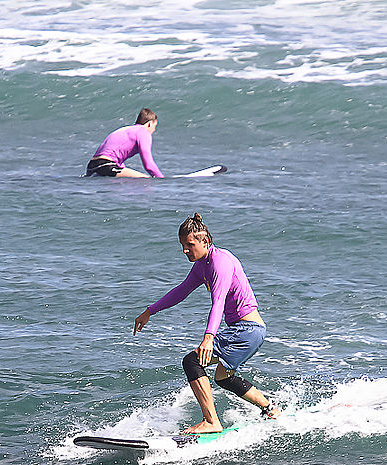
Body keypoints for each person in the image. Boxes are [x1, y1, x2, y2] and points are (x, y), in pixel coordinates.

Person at [133, 213, 279, 433]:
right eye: (182, 245)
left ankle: (211, 422)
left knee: (192, 362)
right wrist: (150, 311)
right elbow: (181, 291)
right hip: (250, 330)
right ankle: (269, 408)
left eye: (189, 245)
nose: (185, 250)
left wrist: (209, 337)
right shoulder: (203, 264)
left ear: (205, 242)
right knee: (223, 377)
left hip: (247, 330)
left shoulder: (220, 263)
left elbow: (218, 302)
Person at [84, 108, 164, 178]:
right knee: (145, 180)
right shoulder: (143, 132)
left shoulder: (125, 130)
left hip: (91, 167)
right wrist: (162, 182)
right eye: (155, 126)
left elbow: (118, 161)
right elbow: (149, 165)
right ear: (149, 124)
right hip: (105, 165)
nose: (154, 130)